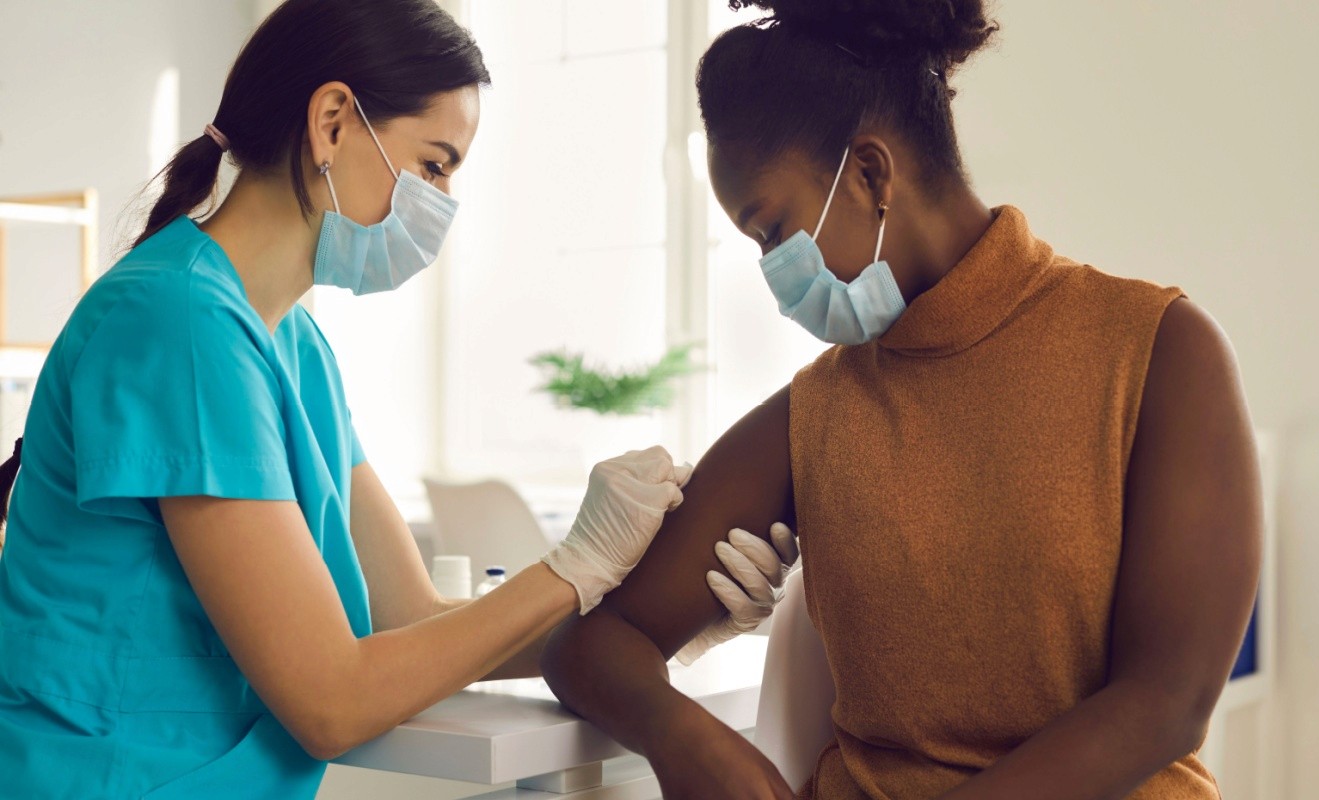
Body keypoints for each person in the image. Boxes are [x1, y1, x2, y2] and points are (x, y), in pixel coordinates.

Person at [0, 1, 796, 797]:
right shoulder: (177, 323)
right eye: (435, 164)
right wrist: (573, 567)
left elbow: (405, 615)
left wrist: (663, 619)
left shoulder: (292, 346)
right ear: (334, 123)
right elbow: (331, 702)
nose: (444, 203)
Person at [540, 2, 1264, 799]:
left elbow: (1167, 704)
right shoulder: (818, 411)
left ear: (871, 173)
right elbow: (593, 645)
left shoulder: (1160, 351)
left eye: (774, 232)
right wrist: (687, 740)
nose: (773, 273)